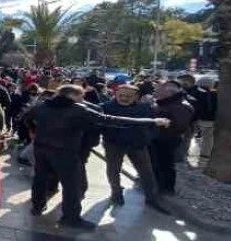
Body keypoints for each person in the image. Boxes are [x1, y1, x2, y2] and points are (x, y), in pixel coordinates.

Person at [29, 85, 170, 230]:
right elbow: (110, 119)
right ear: (72, 95)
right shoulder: (78, 110)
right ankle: (71, 218)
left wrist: (34, 132)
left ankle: (37, 207)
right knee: (72, 186)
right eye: (80, 97)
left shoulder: (41, 106)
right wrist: (152, 121)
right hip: (66, 152)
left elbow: (27, 118)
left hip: (41, 149)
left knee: (40, 178)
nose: (82, 100)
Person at [101, 85, 163, 210]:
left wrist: (148, 137)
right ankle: (116, 193)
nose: (124, 98)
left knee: (146, 172)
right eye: (121, 96)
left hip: (138, 144)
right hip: (114, 145)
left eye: (128, 96)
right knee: (113, 170)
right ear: (115, 94)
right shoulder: (105, 107)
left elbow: (153, 124)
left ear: (136, 97)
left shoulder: (145, 108)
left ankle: (151, 198)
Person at [151, 81, 194, 196]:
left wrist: (158, 123)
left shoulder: (182, 106)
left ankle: (167, 189)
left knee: (165, 165)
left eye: (158, 89)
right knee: (156, 163)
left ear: (169, 92)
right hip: (157, 138)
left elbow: (177, 126)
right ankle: (156, 185)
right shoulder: (164, 102)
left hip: (166, 140)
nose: (155, 91)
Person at [194, 77, 218, 160]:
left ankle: (205, 153)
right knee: (208, 137)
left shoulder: (196, 93)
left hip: (198, 118)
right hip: (210, 119)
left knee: (204, 136)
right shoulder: (215, 95)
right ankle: (205, 154)